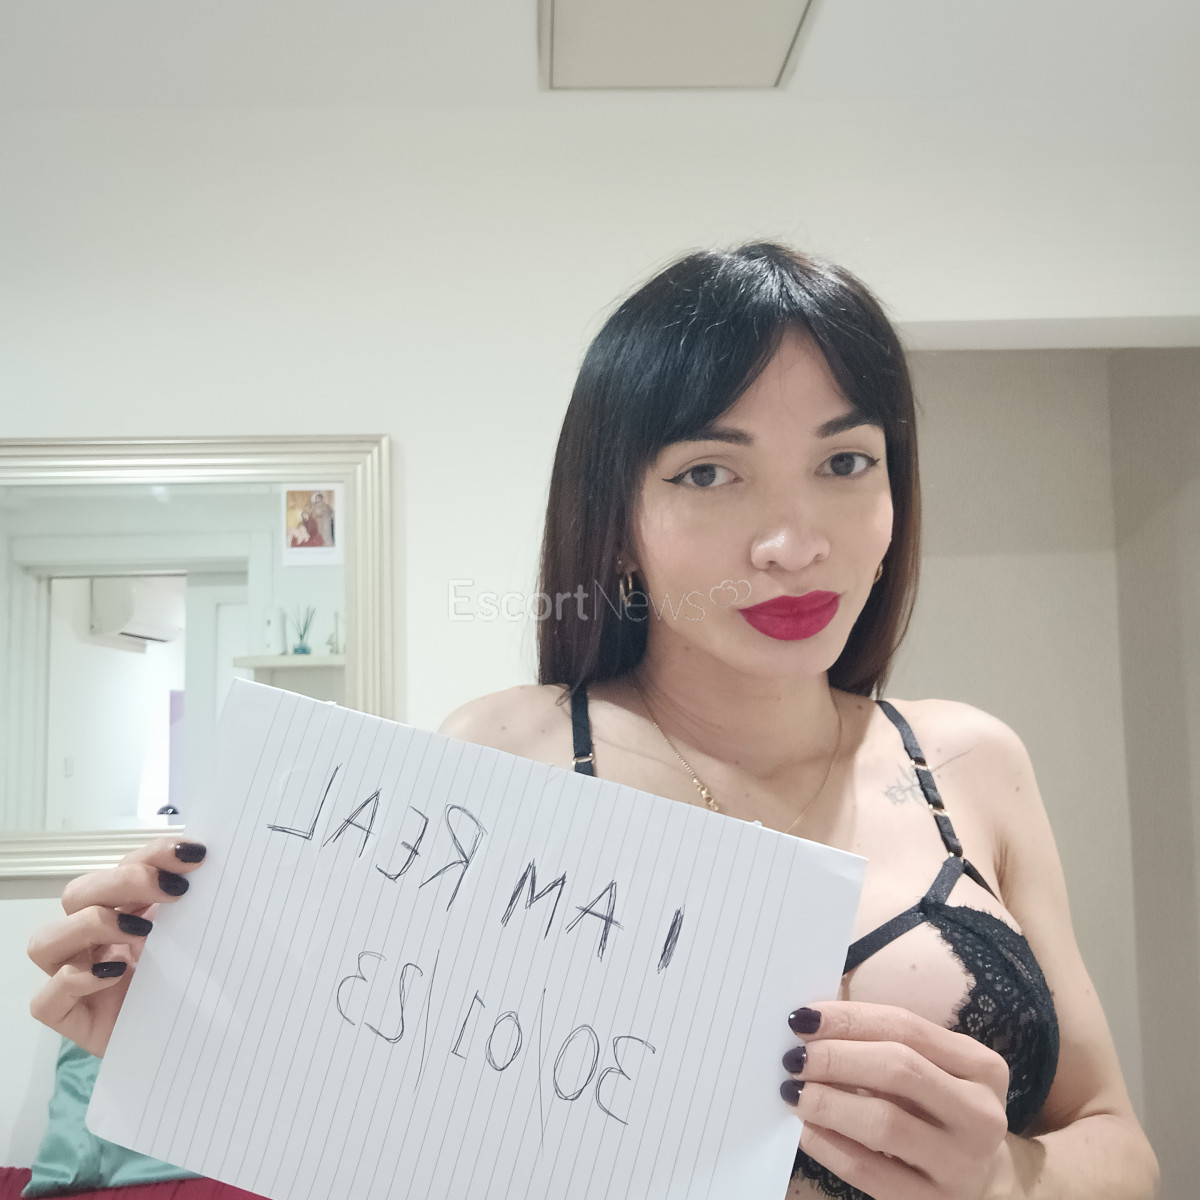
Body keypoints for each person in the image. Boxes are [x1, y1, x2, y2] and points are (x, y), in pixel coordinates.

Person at [27, 244, 1157, 1200]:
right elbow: (393, 1141)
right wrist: (188, 1050)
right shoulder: (505, 756)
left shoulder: (971, 762)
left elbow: (1117, 1140)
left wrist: (1004, 1177)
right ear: (616, 522)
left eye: (845, 461)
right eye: (709, 473)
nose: (792, 542)